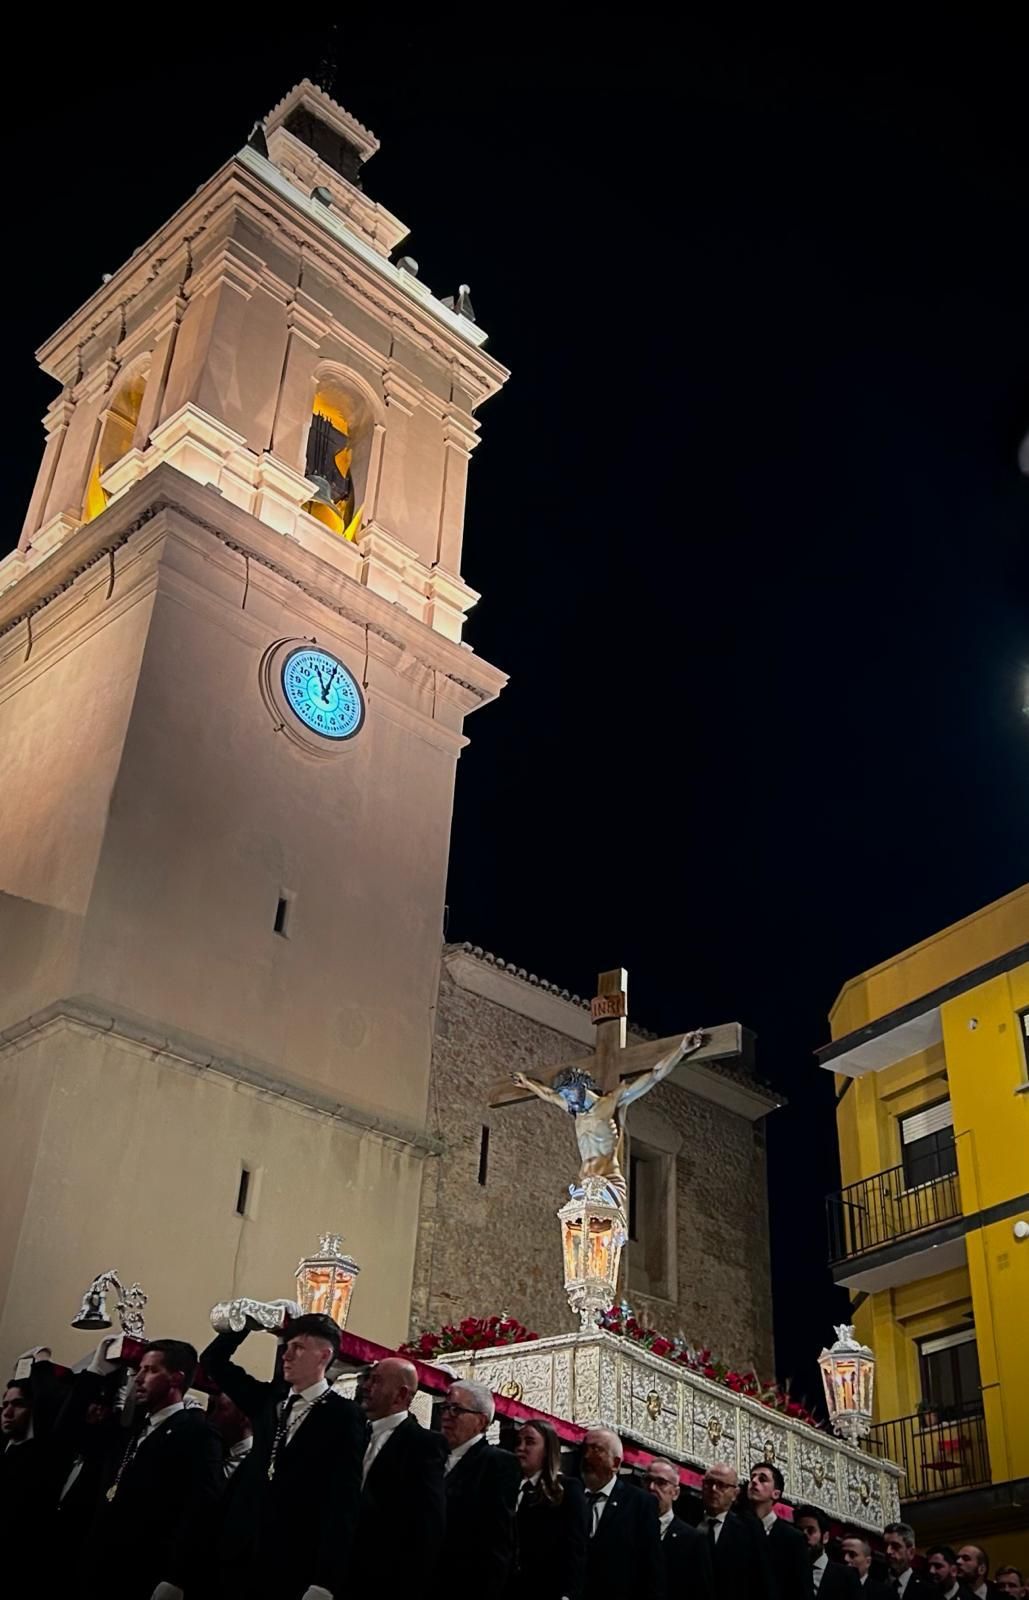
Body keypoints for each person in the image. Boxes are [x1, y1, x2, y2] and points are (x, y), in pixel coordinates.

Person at [201, 1310, 365, 1600]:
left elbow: (343, 1498)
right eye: (286, 1347)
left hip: (292, 1560)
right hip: (237, 1554)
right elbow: (213, 1362)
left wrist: (325, 1580)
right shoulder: (268, 1400)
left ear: (323, 1356)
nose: (286, 1356)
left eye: (298, 1347)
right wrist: (244, 1324)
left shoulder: (344, 1415)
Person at [91, 1339, 223, 1600]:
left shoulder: (198, 1434)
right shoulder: (133, 1427)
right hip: (101, 1565)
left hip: (145, 1572)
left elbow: (201, 1510)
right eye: (138, 1370)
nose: (138, 1379)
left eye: (150, 1370)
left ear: (176, 1378)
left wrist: (176, 1577)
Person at [353, 1357, 446, 1590]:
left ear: (401, 1395)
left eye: (376, 1381)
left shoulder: (424, 1445)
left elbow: (425, 1525)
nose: (366, 1386)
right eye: (367, 1379)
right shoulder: (353, 1435)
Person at [435, 1379, 520, 1598]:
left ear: (481, 1421)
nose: (446, 1416)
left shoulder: (497, 1463)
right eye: (445, 1408)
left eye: (456, 1410)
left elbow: (496, 1540)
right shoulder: (431, 1455)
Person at [510, 1417, 589, 1600]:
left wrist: (568, 1594)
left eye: (530, 1442)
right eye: (518, 1442)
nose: (521, 1448)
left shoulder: (566, 1490)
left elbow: (575, 1548)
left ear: (547, 1450)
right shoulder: (508, 1488)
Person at [580, 1427, 664, 1600]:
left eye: (597, 1449)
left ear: (616, 1464)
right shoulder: (572, 1496)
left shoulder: (640, 1503)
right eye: (585, 1449)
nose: (587, 1456)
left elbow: (650, 1567)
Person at [644, 1456, 713, 1599]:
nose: (651, 1487)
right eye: (647, 1480)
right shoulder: (627, 1524)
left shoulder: (693, 1540)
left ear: (675, 1493)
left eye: (661, 1483)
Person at [701, 1461, 771, 1600]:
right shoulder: (686, 1518)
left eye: (721, 1485)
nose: (714, 1489)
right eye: (709, 1483)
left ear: (735, 1493)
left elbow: (761, 1581)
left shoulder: (749, 1531)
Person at [746, 1462, 810, 1599]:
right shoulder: (736, 1526)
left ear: (776, 1493)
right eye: (752, 1477)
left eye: (762, 1479)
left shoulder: (794, 1539)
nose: (754, 1481)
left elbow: (801, 1589)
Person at [795, 1503, 859, 1597]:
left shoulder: (847, 1576)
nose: (804, 1535)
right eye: (799, 1530)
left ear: (825, 1537)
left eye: (811, 1530)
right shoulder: (789, 1570)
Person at [206, 1390, 254, 1479]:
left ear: (243, 1417)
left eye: (220, 1408)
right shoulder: (214, 1446)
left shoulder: (255, 1465)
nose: (212, 1417)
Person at [884, 1523, 934, 1598]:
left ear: (911, 1553)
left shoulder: (928, 1591)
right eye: (885, 1546)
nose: (888, 1551)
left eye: (895, 1546)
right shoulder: (875, 1585)